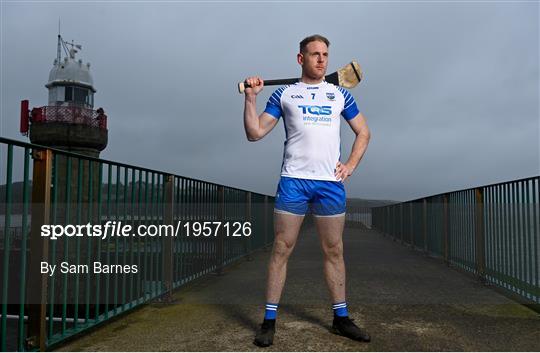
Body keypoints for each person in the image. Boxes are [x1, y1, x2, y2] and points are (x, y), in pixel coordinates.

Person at [242, 34, 371, 347]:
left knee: (334, 250)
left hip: (330, 184)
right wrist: (250, 99)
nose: (321, 60)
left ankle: (341, 319)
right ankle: (269, 321)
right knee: (282, 248)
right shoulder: (285, 95)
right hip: (294, 181)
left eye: (325, 54)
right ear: (301, 59)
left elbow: (363, 132)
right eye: (315, 54)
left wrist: (350, 165)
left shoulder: (340, 95)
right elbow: (255, 133)